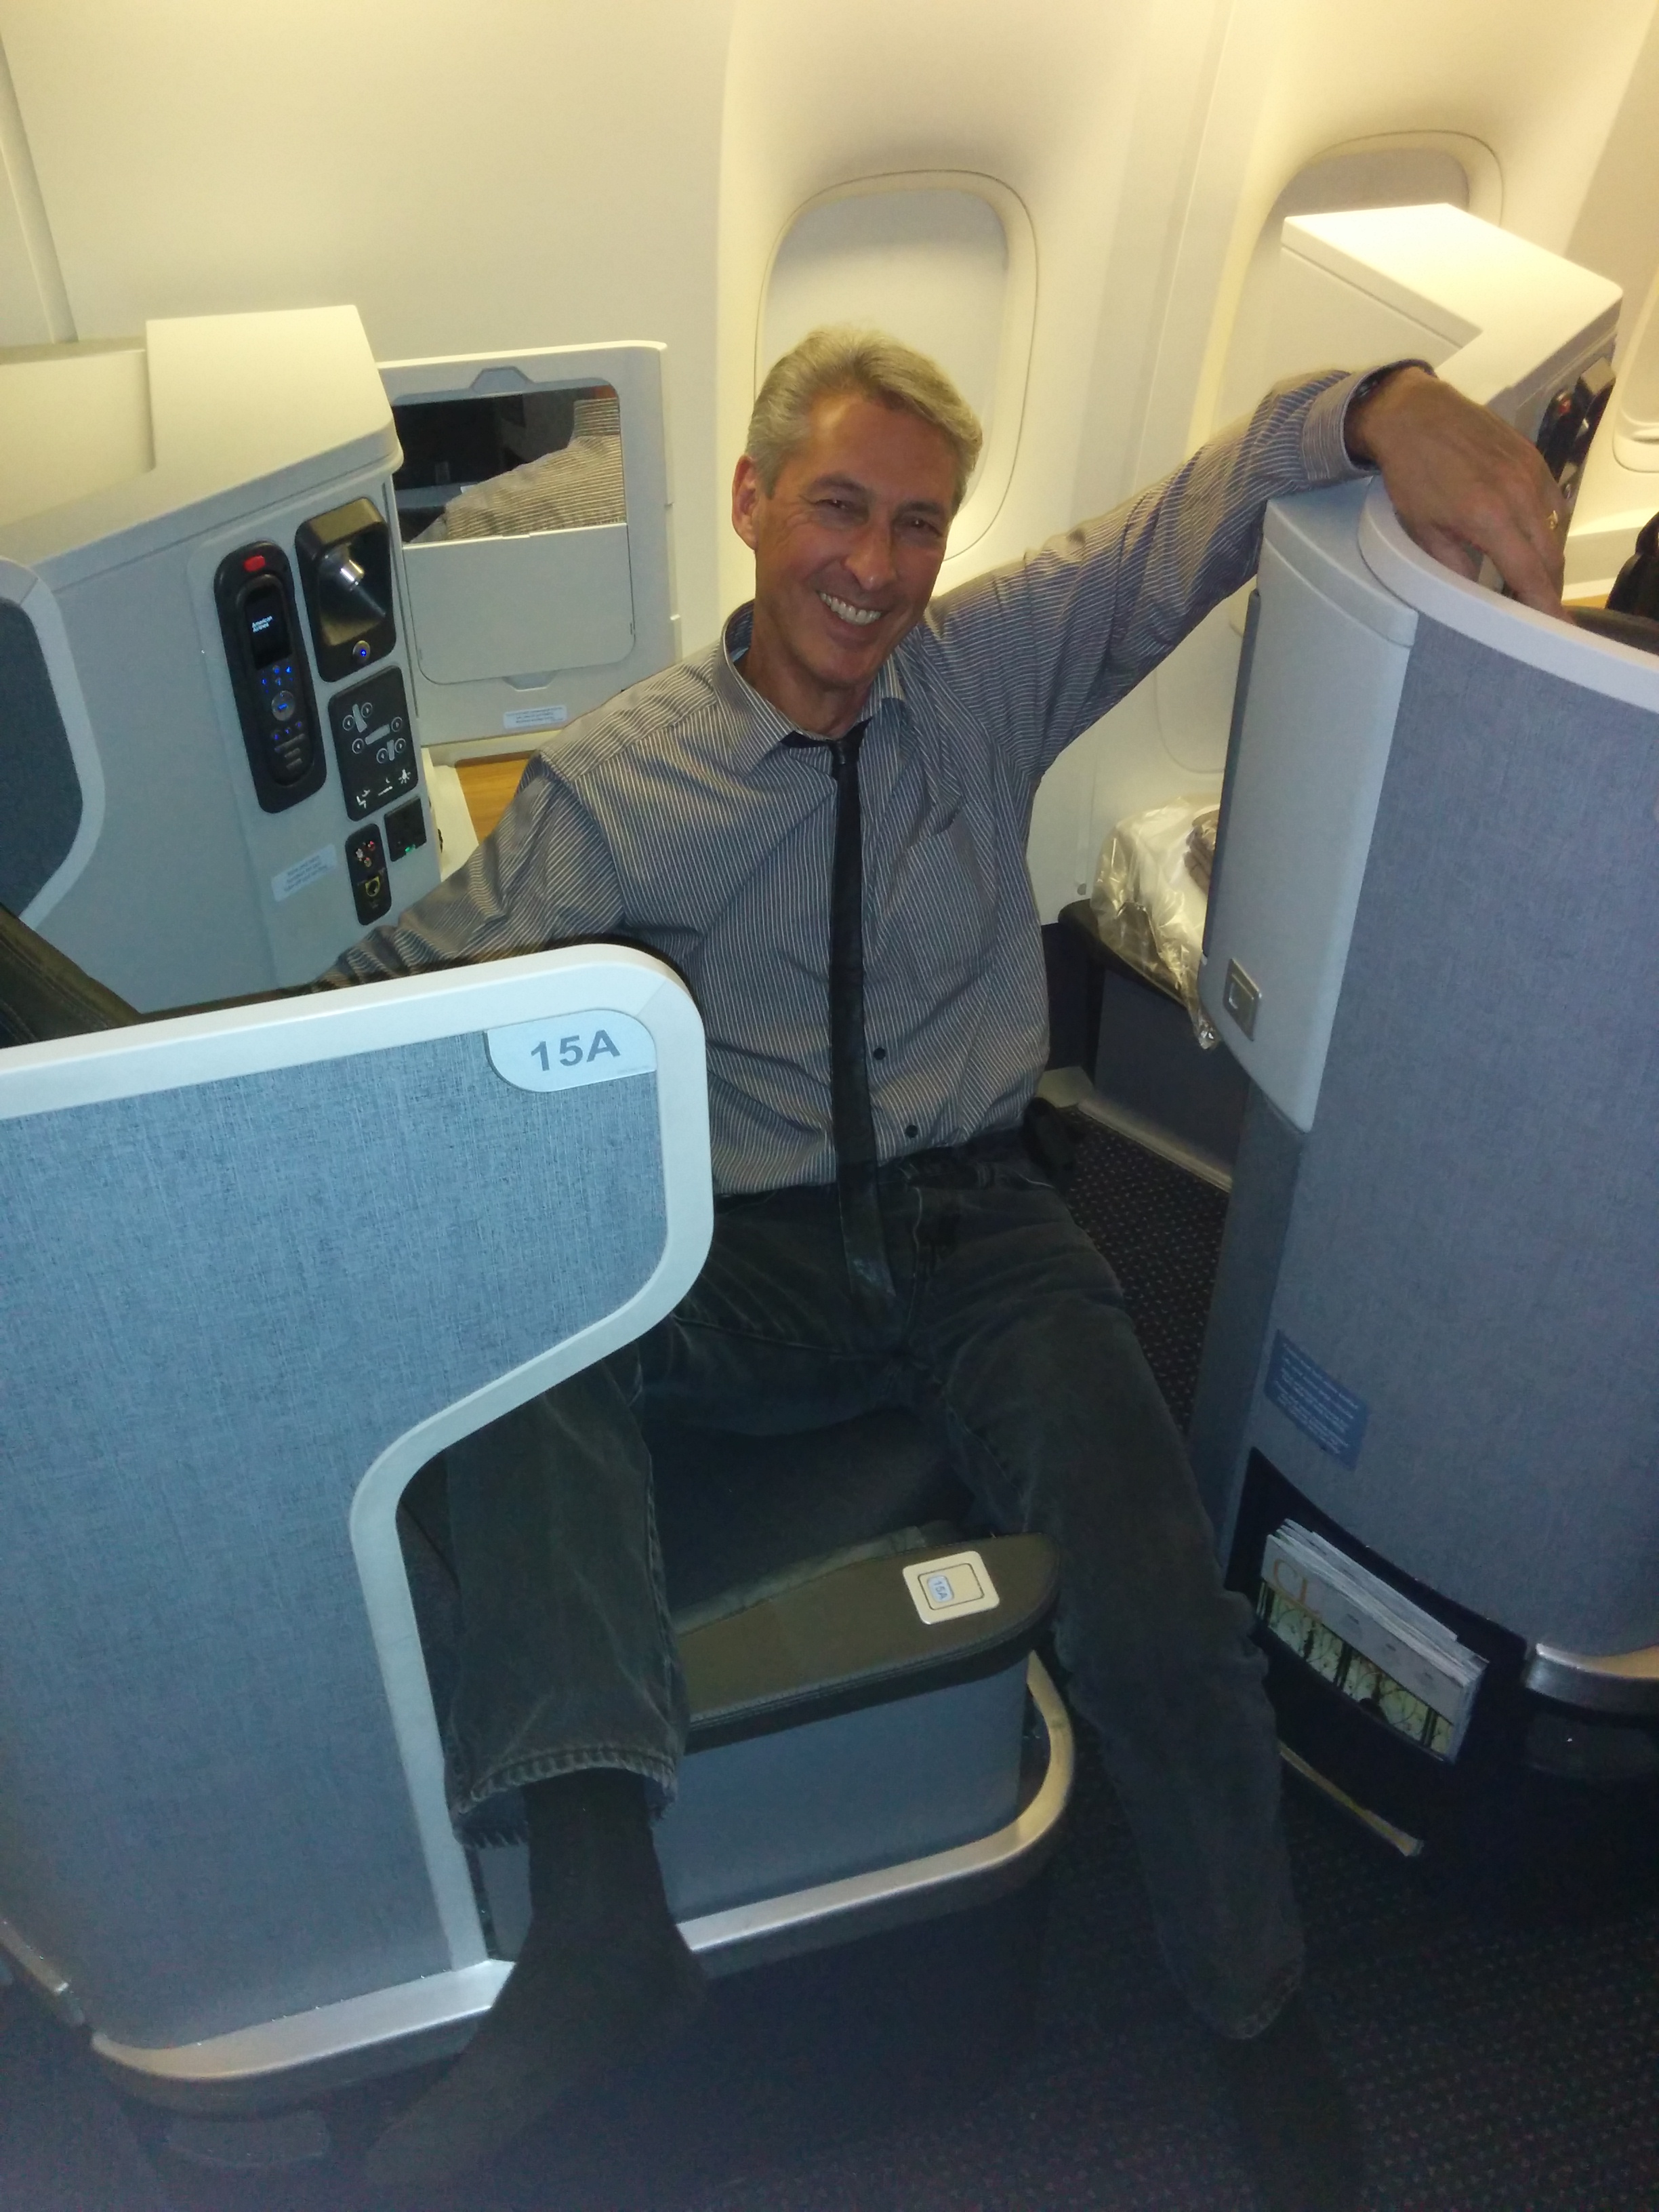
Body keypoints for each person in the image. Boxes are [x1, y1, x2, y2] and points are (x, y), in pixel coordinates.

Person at [334, 329, 1566, 2207]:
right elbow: (398, 997)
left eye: (918, 524)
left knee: (1160, 1600)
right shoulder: (619, 784)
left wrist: (1387, 404)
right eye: (839, 507)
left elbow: (1192, 521)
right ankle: (601, 1925)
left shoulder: (981, 670)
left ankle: (1255, 2009)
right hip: (744, 1249)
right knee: (515, 1331)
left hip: (982, 1225)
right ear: (753, 503)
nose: (876, 565)